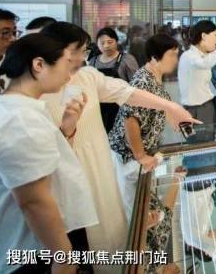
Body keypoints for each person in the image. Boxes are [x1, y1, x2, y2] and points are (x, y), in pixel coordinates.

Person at [39, 22, 199, 267]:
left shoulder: (87, 76)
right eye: (78, 51)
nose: (83, 57)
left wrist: (171, 108)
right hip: (76, 171)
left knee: (112, 232)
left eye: (84, 51)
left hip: (101, 166)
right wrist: (140, 154)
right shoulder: (39, 92)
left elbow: (125, 92)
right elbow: (130, 117)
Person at [0, 34, 95, 274]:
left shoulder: (19, 109)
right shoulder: (22, 119)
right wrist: (63, 257)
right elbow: (34, 201)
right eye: (65, 63)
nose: (69, 75)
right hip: (32, 252)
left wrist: (68, 127)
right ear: (39, 65)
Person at [109, 34, 181, 220]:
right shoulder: (143, 80)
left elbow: (159, 105)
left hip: (142, 157)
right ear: (155, 57)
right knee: (136, 215)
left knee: (145, 210)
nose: (176, 59)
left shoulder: (155, 77)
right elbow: (130, 119)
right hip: (129, 157)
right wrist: (141, 155)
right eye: (172, 55)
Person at [178, 20, 216, 126]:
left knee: (208, 136)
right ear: (203, 36)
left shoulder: (204, 55)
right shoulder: (189, 56)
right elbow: (206, 63)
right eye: (215, 35)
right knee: (201, 136)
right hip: (196, 109)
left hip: (206, 106)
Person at [89, 27, 139, 133]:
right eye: (102, 43)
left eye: (110, 42)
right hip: (99, 111)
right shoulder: (93, 61)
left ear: (116, 41)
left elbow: (136, 85)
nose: (106, 46)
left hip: (121, 110)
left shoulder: (126, 59)